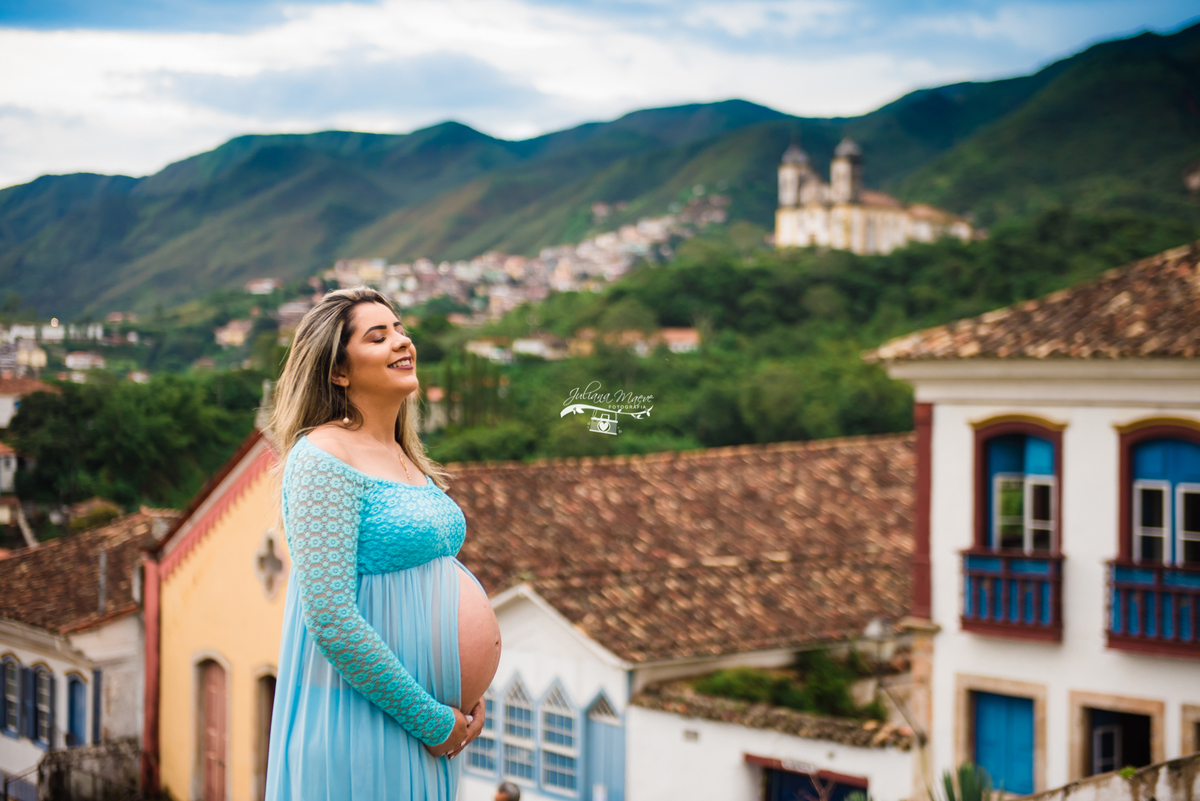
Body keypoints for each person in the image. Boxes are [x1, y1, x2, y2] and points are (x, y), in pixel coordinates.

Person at [264, 287, 499, 800]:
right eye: (378, 336)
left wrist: (467, 690)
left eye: (400, 329)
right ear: (338, 371)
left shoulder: (402, 454)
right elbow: (331, 619)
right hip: (366, 722)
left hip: (424, 723)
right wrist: (430, 719)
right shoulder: (323, 456)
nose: (402, 341)